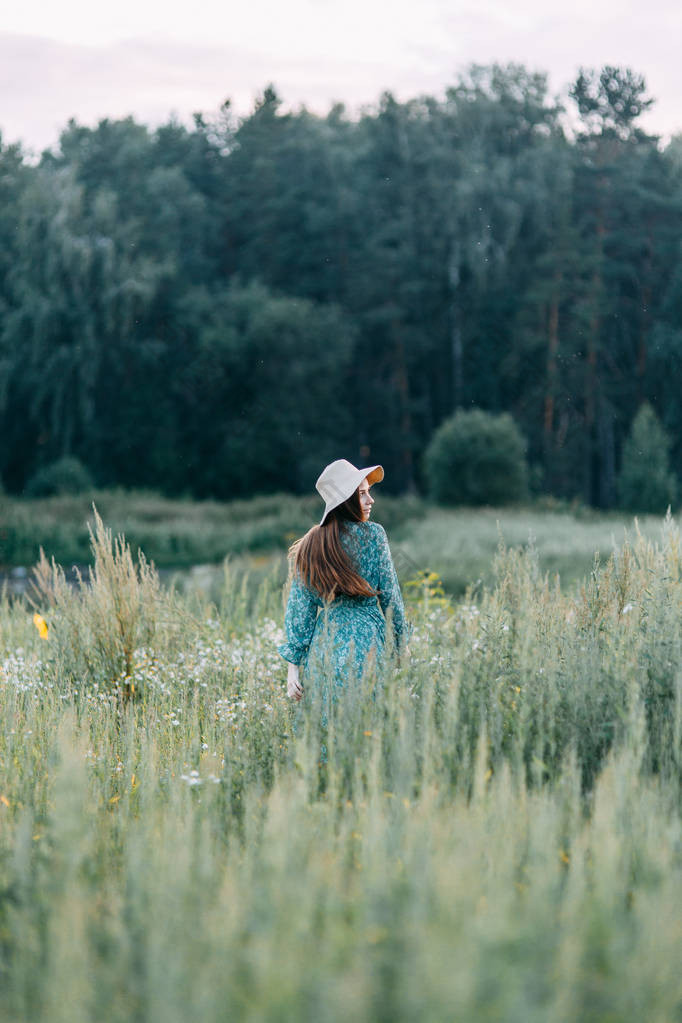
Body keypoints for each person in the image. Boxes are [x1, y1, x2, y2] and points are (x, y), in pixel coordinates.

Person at [278, 458, 410, 706]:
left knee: (329, 730)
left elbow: (300, 611)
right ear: (346, 500)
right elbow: (391, 596)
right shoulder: (374, 535)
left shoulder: (311, 543)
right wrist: (402, 644)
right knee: (369, 728)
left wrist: (292, 670)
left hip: (325, 649)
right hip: (368, 644)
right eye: (362, 494)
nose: (371, 500)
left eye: (368, 493)